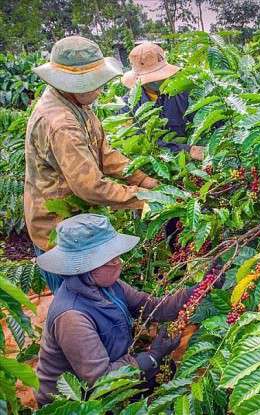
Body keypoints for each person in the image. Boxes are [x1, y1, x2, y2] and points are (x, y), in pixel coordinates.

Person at [26, 36, 158, 293]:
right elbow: (89, 187)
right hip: (59, 232)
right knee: (79, 308)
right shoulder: (61, 124)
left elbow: (103, 152)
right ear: (74, 84)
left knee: (102, 301)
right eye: (95, 83)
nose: (101, 90)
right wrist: (143, 198)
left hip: (79, 223)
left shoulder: (76, 103)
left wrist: (141, 178)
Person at [34, 214, 204, 407]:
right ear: (88, 267)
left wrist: (199, 290)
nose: (120, 263)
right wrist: (153, 356)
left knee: (166, 371)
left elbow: (153, 307)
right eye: (112, 259)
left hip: (112, 369)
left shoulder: (109, 286)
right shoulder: (72, 317)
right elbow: (101, 380)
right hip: (74, 402)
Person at [121, 42, 204, 160]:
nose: (159, 80)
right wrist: (186, 149)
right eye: (153, 77)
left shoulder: (179, 92)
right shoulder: (127, 106)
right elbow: (139, 142)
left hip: (187, 160)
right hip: (151, 162)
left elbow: (200, 116)